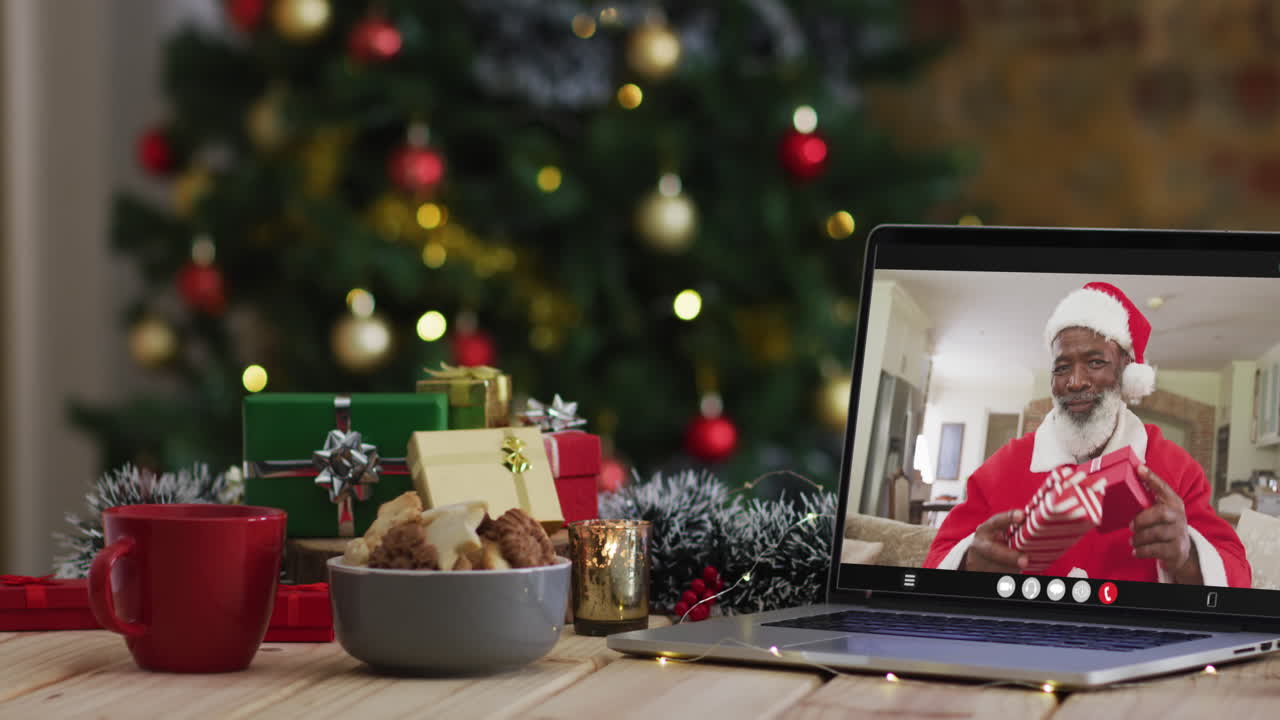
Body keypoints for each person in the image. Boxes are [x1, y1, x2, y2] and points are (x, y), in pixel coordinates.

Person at [923, 282, 1251, 587]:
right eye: (1062, 367)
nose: (1075, 382)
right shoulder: (1001, 469)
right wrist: (968, 564)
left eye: (1095, 362)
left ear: (1126, 373)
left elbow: (1237, 575)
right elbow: (936, 564)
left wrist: (1187, 556)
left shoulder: (1175, 468)